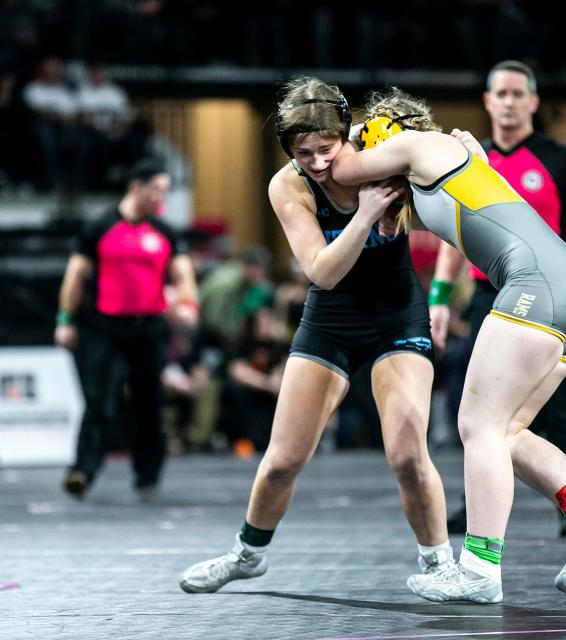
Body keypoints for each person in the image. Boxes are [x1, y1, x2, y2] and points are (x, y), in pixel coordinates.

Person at [332, 88, 566, 604]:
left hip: (536, 283)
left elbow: (341, 172)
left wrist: (349, 133)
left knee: (477, 426)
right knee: (506, 431)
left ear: (386, 133)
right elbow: (390, 219)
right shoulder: (449, 166)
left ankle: (479, 569)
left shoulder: (419, 145)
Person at [178, 78, 453, 596]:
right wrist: (369, 212)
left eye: (327, 149)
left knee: (408, 456)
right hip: (331, 317)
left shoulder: (382, 155)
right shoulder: (288, 185)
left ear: (346, 136)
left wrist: (463, 151)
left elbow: (457, 190)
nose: (317, 162)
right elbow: (322, 273)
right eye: (303, 152)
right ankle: (247, 553)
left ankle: (441, 566)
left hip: (397, 316)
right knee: (283, 460)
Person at [433, 60, 566, 537]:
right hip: (491, 295)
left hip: (549, 296)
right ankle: (473, 505)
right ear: (487, 102)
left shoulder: (558, 157)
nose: (507, 102)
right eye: (499, 94)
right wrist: (441, 299)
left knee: (558, 406)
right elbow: (455, 232)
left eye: (516, 94)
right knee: (479, 405)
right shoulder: (470, 159)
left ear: (533, 102)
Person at [55, 158, 198, 501]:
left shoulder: (165, 232)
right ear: (136, 188)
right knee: (99, 402)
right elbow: (75, 276)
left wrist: (188, 306)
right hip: (103, 329)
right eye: (157, 191)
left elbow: (184, 275)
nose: (161, 198)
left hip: (148, 329)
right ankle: (82, 473)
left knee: (148, 405)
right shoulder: (99, 228)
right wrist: (65, 320)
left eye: (165, 191)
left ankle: (147, 477)